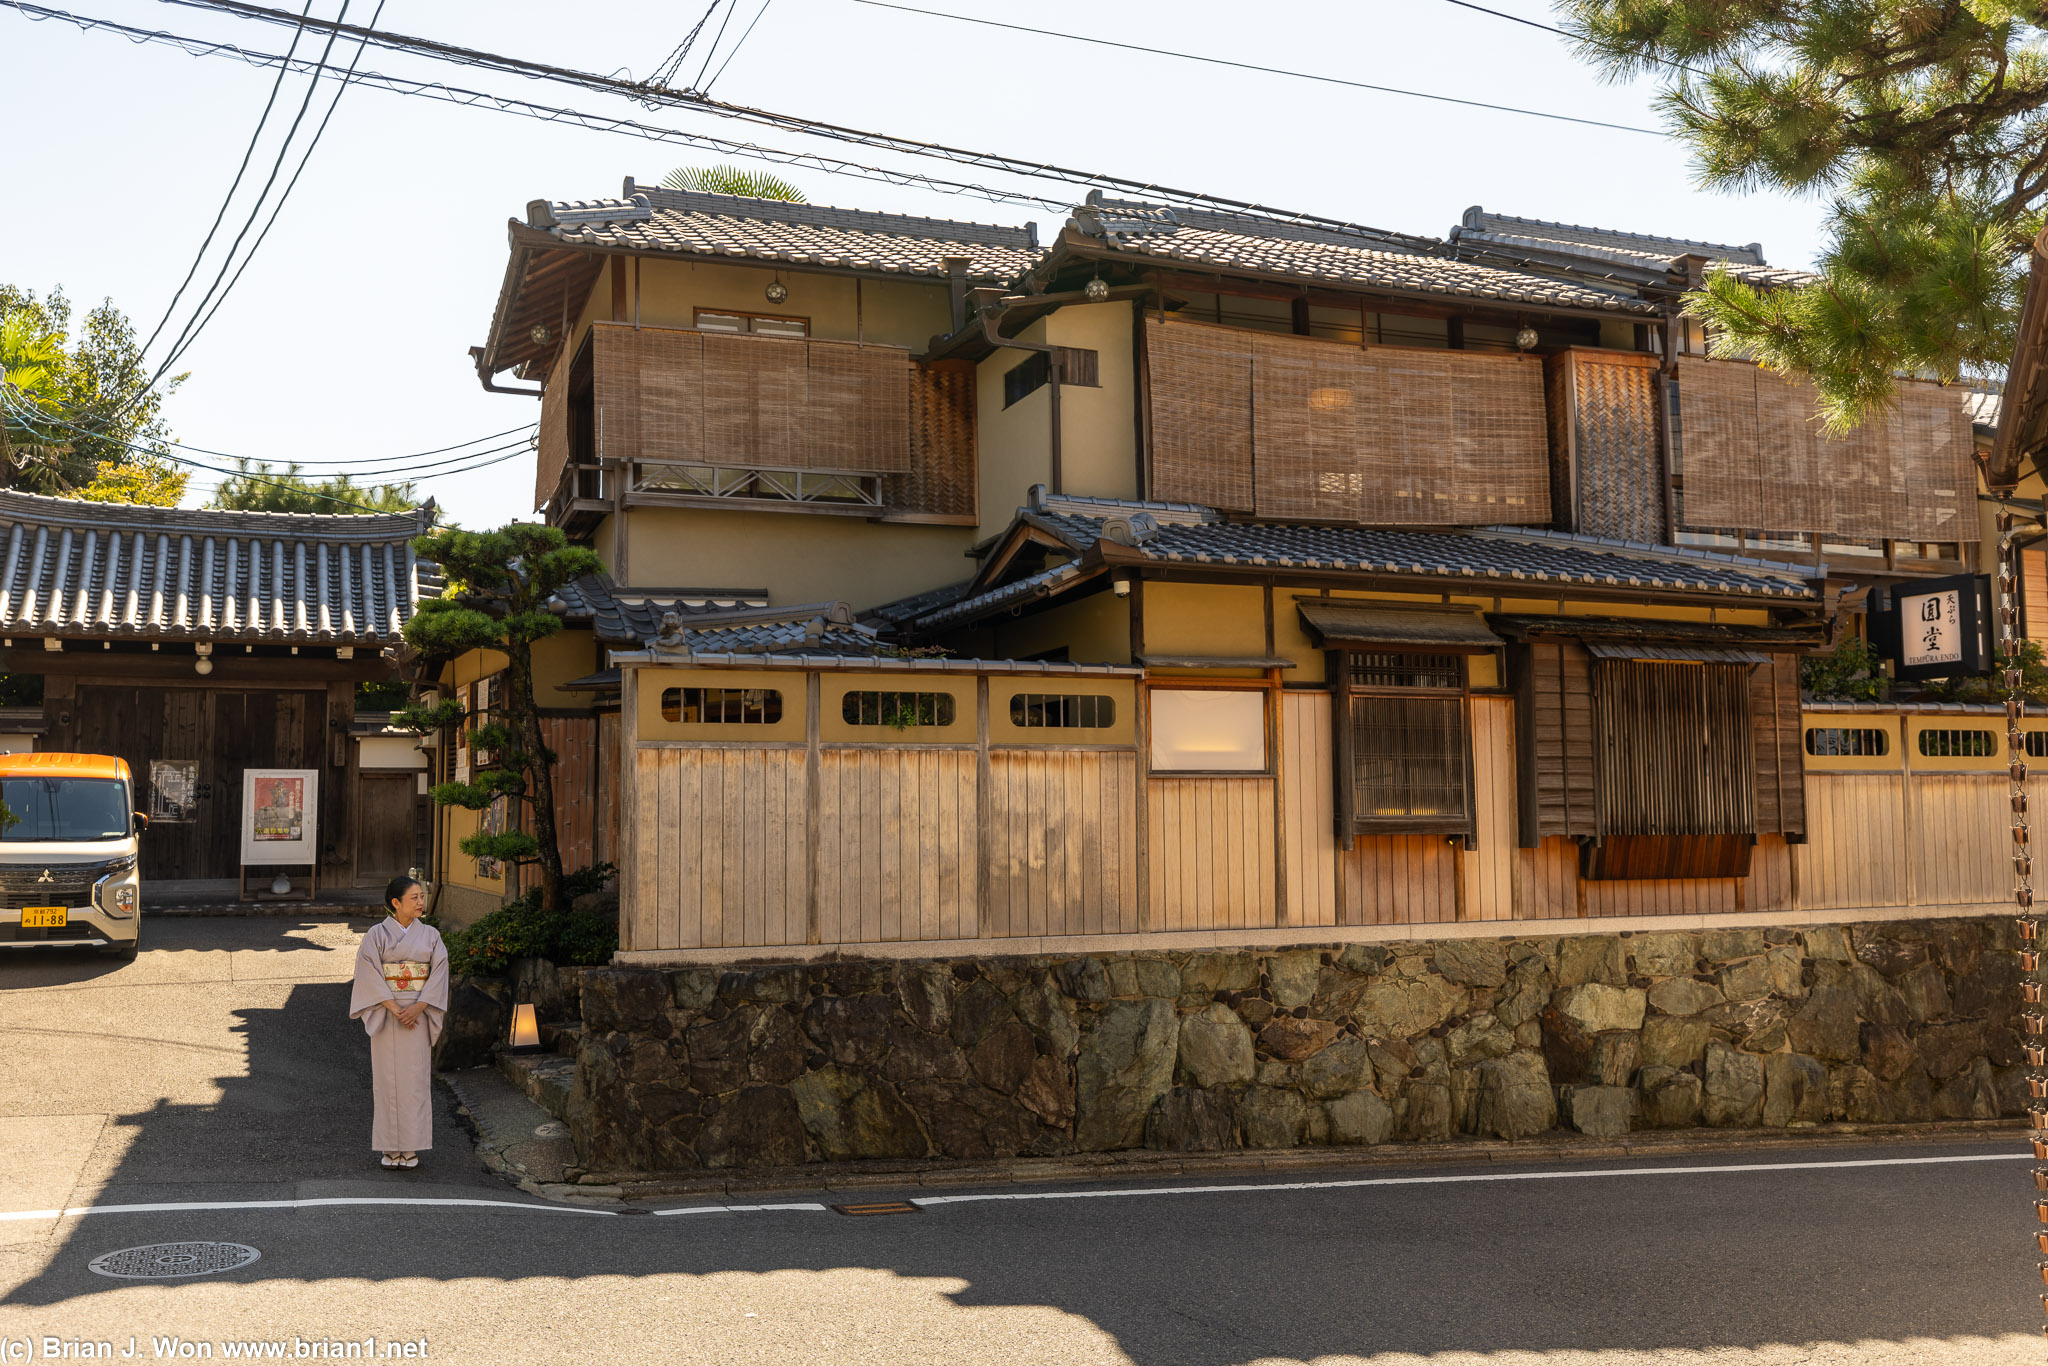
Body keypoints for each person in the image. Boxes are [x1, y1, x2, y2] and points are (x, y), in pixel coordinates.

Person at [348, 876, 449, 1169]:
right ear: (396, 903)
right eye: (414, 898)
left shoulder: (431, 936)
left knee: (415, 1083)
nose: (420, 902)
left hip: (418, 1015)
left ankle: (411, 1147)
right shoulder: (376, 935)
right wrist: (393, 1006)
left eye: (421, 896)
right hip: (387, 1014)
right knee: (387, 1083)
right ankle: (391, 1147)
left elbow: (440, 971)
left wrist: (419, 1006)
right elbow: (367, 972)